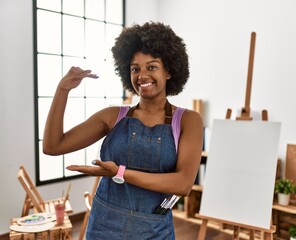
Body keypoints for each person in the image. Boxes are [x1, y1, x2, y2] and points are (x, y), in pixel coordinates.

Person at [43, 22, 203, 239]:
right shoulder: (112, 116)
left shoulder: (187, 121)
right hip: (103, 227)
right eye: (135, 68)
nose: (142, 75)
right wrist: (62, 90)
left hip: (154, 231)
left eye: (152, 67)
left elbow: (182, 184)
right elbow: (53, 146)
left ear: (169, 71)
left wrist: (119, 172)